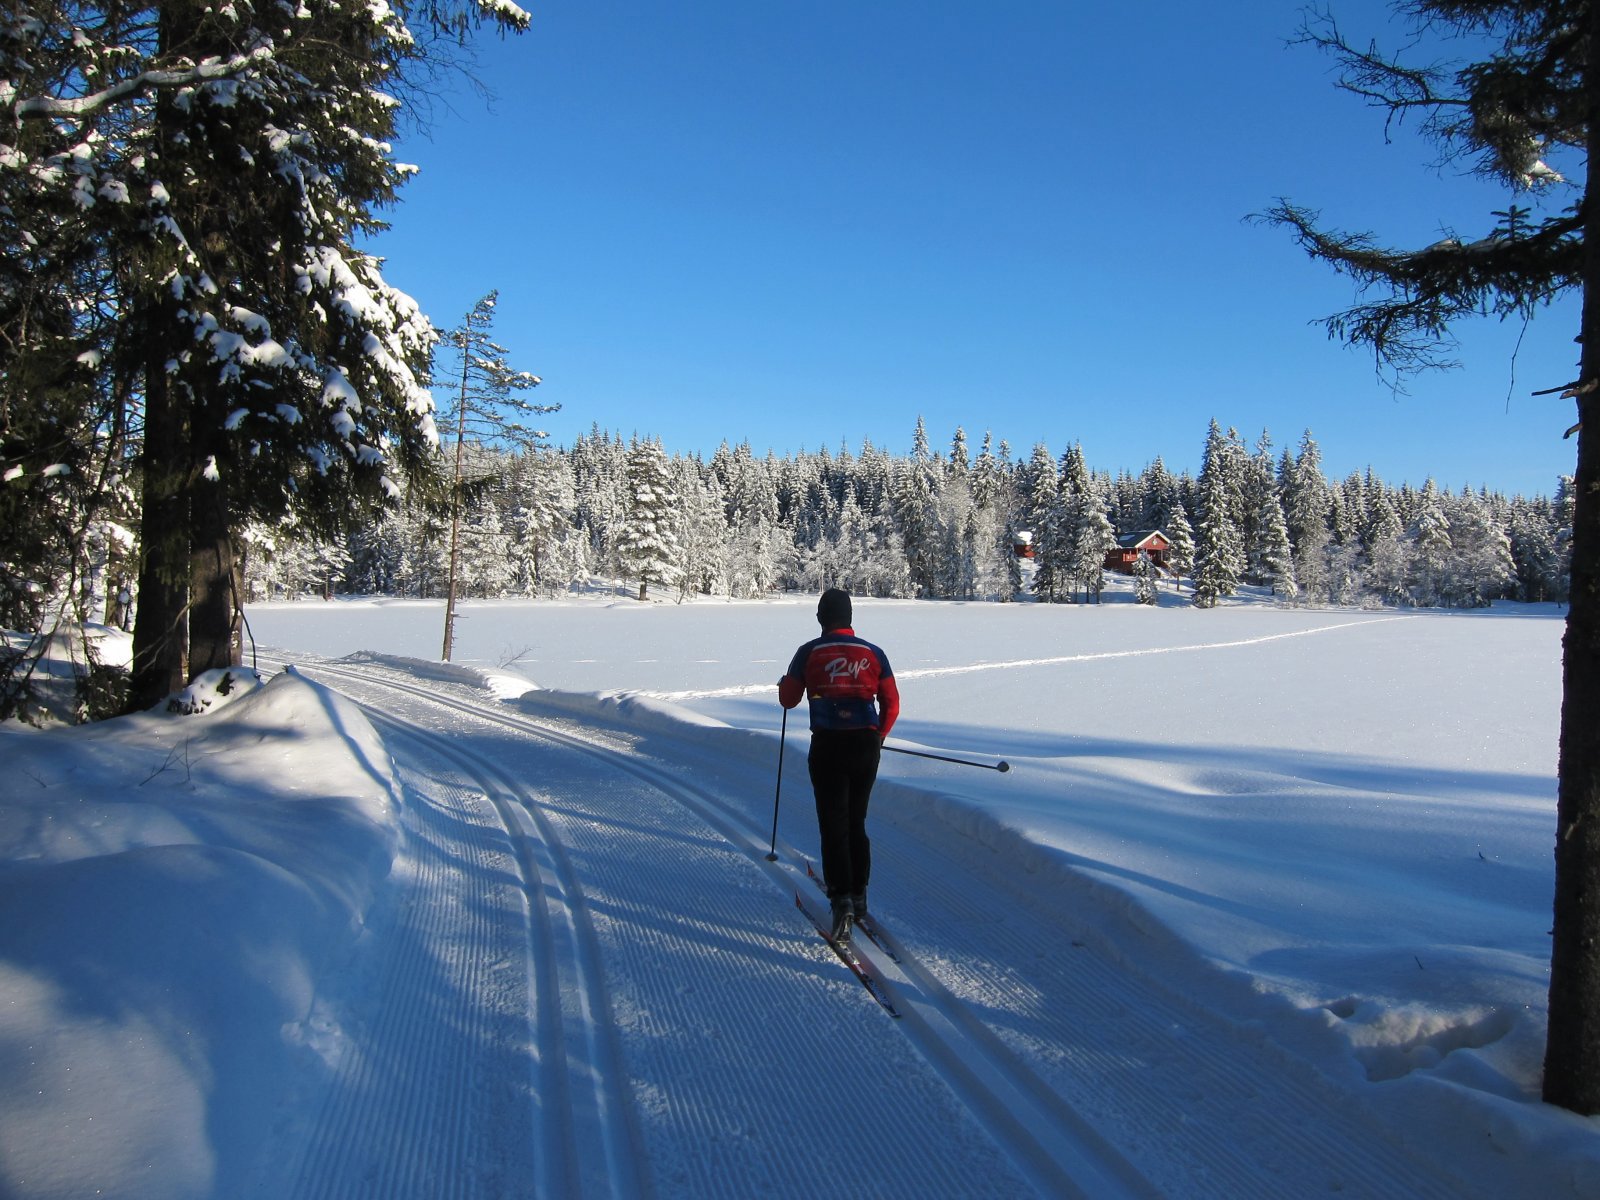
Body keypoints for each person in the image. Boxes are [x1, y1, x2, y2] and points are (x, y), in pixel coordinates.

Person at [778, 588, 899, 940]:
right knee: (856, 820)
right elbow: (891, 704)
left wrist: (784, 683)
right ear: (849, 618)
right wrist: (878, 736)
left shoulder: (808, 652)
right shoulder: (873, 653)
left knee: (833, 823)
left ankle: (841, 898)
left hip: (828, 744)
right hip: (865, 745)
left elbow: (788, 699)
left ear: (821, 618)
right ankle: (859, 895)